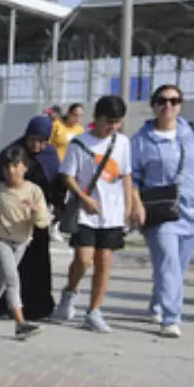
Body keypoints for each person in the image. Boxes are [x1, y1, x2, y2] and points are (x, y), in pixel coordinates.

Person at [129, 85, 194, 339]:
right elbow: (132, 178)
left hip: (193, 208)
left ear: (181, 104)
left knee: (176, 267)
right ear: (154, 105)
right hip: (160, 211)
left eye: (174, 100)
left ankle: (158, 303)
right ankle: (171, 319)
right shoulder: (140, 141)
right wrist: (136, 204)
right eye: (162, 101)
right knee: (169, 263)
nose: (168, 106)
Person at [53, 96, 137, 334]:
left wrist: (129, 206)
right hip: (85, 213)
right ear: (97, 118)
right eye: (108, 121)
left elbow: (127, 175)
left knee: (104, 261)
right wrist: (84, 197)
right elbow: (67, 175)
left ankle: (94, 311)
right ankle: (69, 292)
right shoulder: (79, 143)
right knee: (83, 259)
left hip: (112, 213)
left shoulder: (122, 143)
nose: (112, 127)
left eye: (117, 122)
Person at [0, 116, 60, 320]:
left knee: (38, 265)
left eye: (43, 141)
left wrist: (53, 208)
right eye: (33, 140)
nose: (38, 146)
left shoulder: (50, 155)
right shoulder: (13, 152)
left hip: (36, 220)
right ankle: (3, 306)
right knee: (8, 268)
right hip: (10, 221)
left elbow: (57, 182)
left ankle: (37, 307)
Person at [0, 145, 51, 339]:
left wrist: (35, 210)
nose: (11, 171)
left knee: (1, 279)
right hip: (0, 239)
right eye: (7, 166)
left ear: (25, 167)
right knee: (12, 278)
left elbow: (43, 222)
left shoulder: (34, 191)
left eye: (16, 165)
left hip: (22, 242)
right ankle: (20, 323)